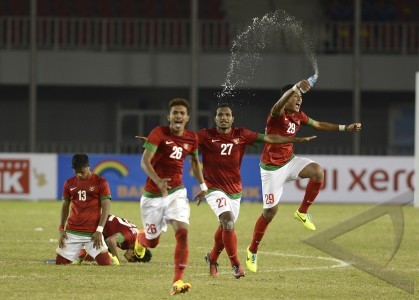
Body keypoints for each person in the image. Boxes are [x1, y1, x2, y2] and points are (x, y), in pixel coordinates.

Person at [245, 79, 362, 273]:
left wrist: (345, 128)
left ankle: (302, 211)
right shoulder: (277, 114)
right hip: (271, 170)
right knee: (269, 214)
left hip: (289, 162)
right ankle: (253, 249)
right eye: (296, 97)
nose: (299, 100)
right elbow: (277, 105)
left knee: (317, 171)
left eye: (301, 97)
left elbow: (318, 125)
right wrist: (294, 88)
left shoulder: (298, 115)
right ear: (286, 97)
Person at [196, 104, 316, 279]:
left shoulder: (242, 134)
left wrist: (293, 140)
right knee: (228, 222)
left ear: (232, 118)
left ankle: (212, 258)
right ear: (215, 118)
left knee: (225, 227)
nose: (224, 118)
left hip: (235, 190)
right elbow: (182, 140)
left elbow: (269, 138)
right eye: (220, 115)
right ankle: (236, 265)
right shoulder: (205, 135)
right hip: (214, 188)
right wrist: (156, 142)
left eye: (227, 115)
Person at [135, 98, 207, 295]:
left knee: (182, 232)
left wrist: (203, 185)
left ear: (187, 117)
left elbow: (194, 162)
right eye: (175, 112)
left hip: (176, 192)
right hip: (152, 196)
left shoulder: (192, 138)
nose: (178, 116)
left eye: (182, 113)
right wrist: (158, 181)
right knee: (152, 243)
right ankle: (140, 238)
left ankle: (178, 281)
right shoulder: (159, 132)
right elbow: (145, 161)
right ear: (169, 116)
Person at [56, 153, 113, 266]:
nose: (79, 175)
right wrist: (62, 228)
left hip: (92, 233)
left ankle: (90, 254)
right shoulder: (69, 183)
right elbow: (65, 206)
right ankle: (83, 254)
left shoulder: (100, 182)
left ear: (88, 166)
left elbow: (106, 207)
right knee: (60, 264)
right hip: (72, 232)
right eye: (76, 171)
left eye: (82, 172)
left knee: (105, 264)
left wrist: (99, 230)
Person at [74, 214, 152, 264]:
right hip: (93, 224)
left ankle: (82, 252)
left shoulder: (132, 239)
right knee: (102, 258)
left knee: (104, 258)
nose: (128, 260)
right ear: (134, 254)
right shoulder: (130, 237)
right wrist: (117, 259)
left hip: (98, 225)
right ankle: (81, 252)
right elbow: (111, 240)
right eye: (131, 260)